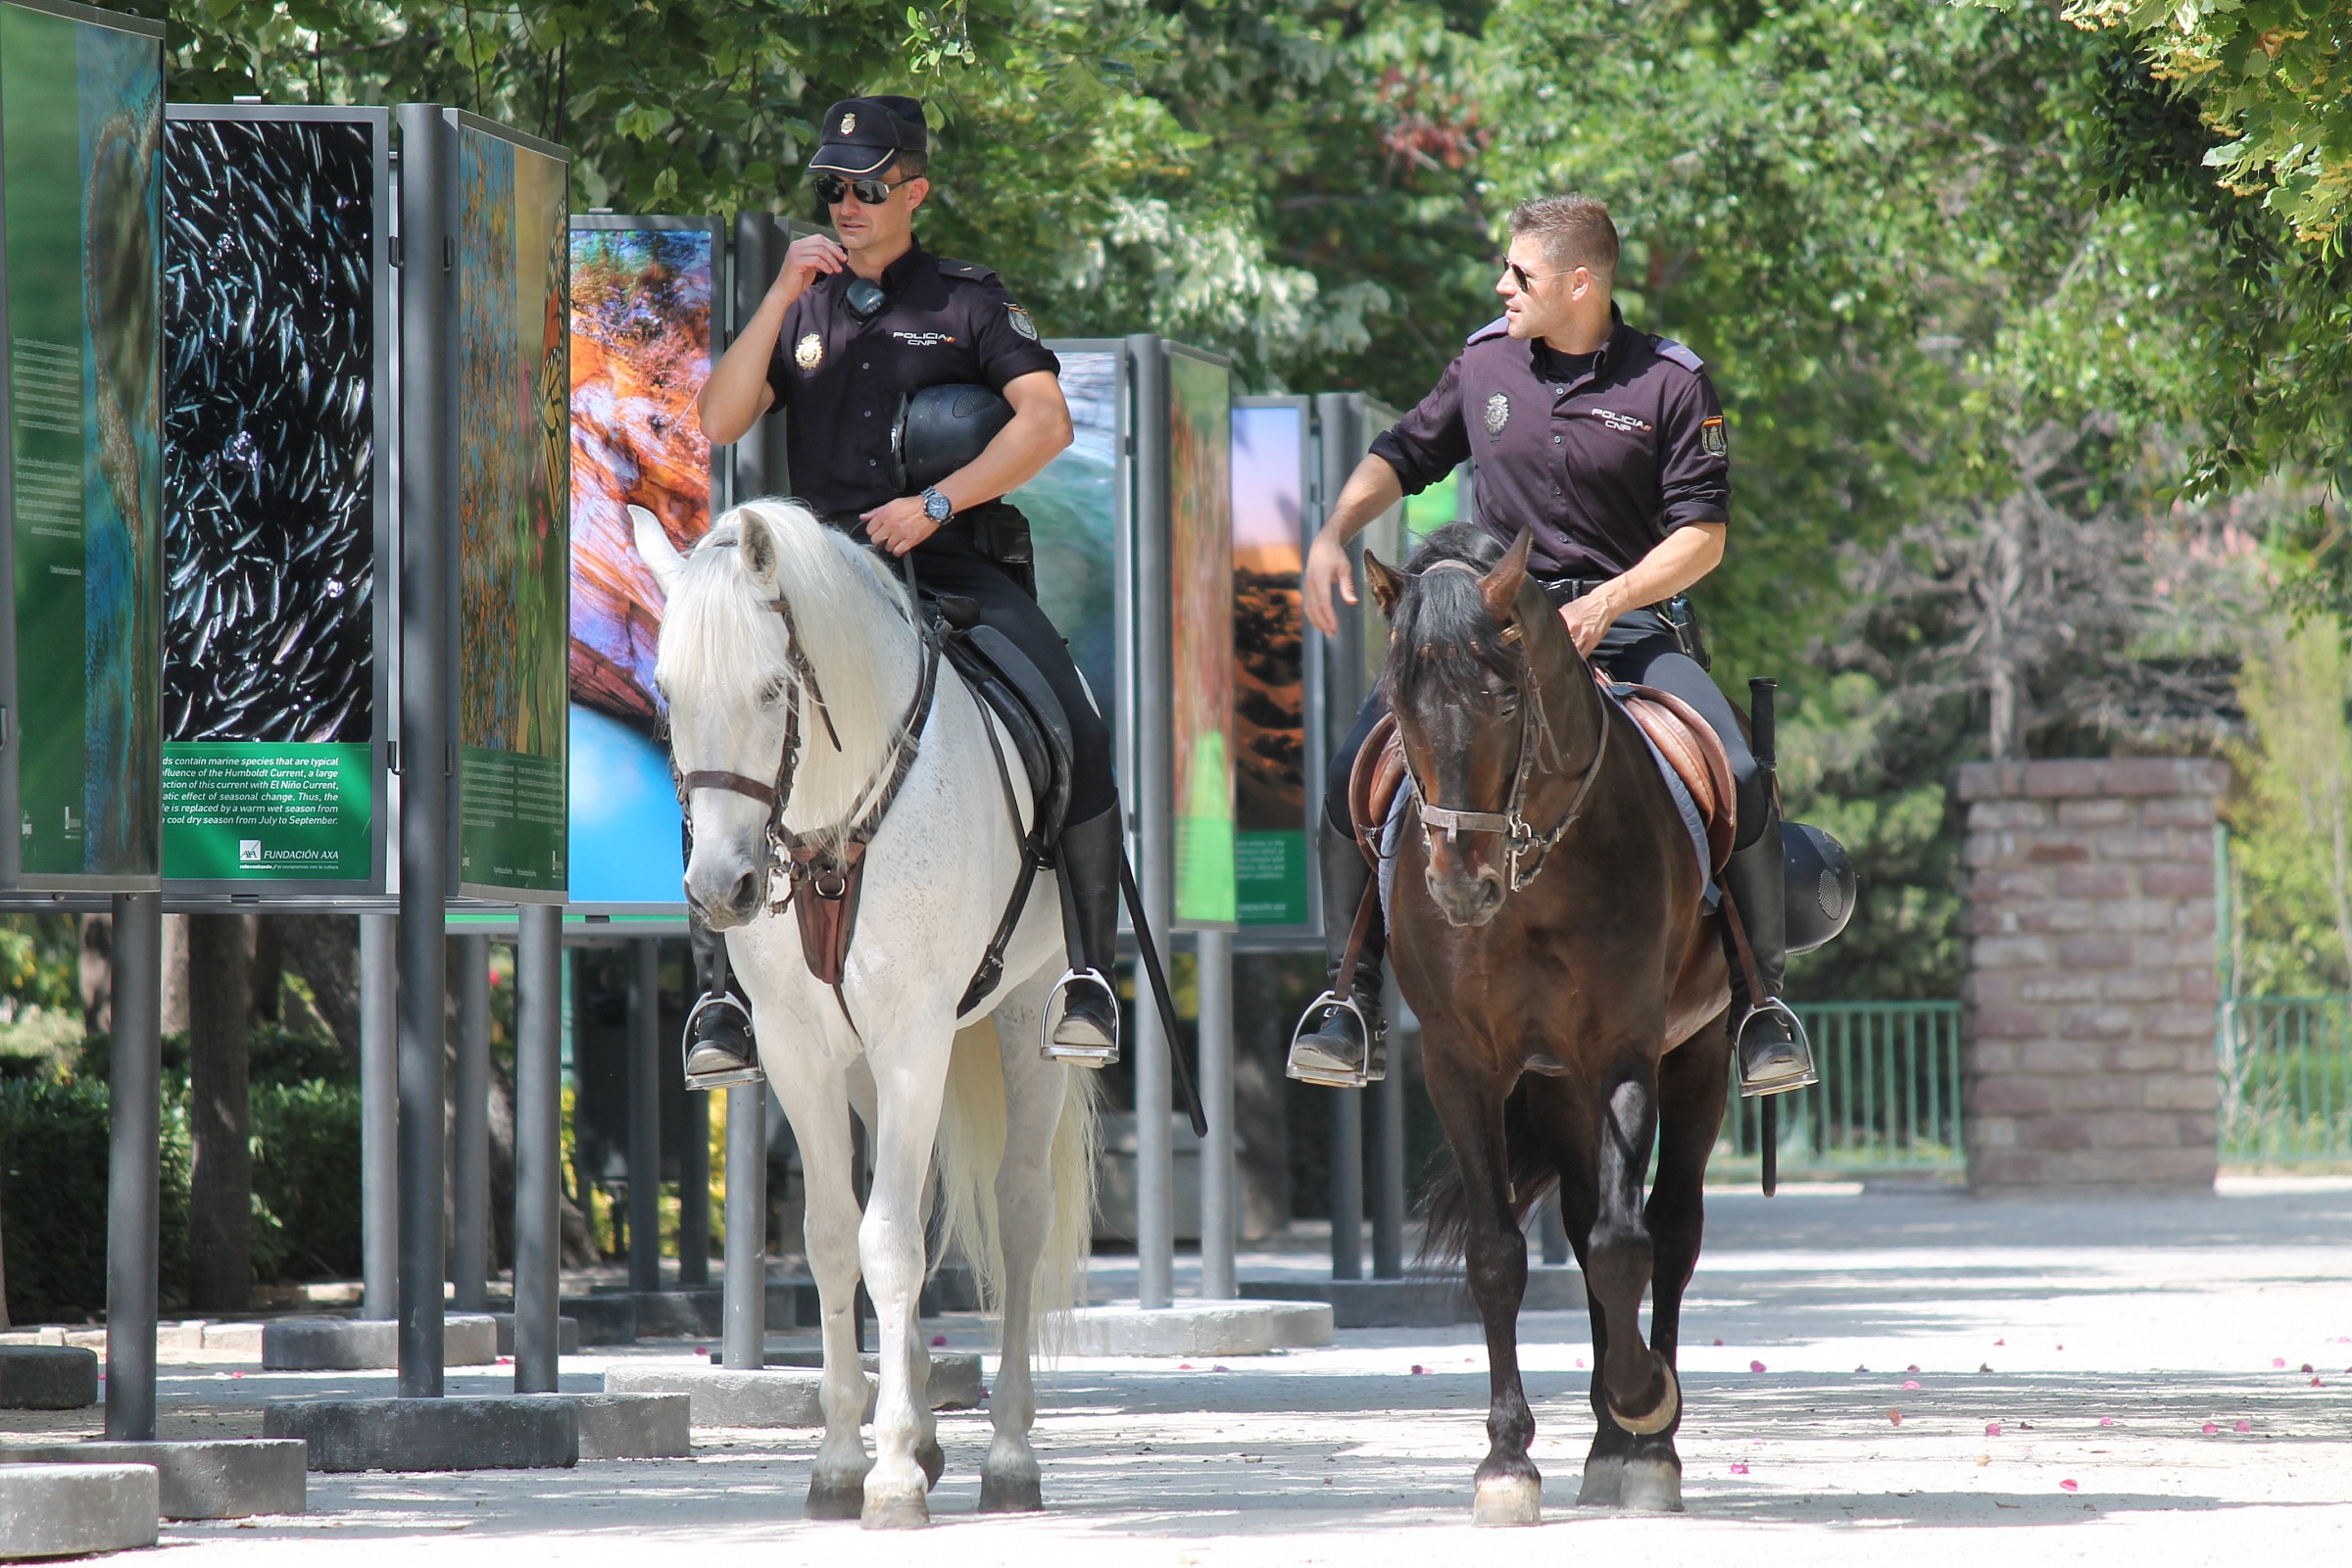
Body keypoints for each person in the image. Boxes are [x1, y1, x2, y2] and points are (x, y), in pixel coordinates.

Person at [1288, 193, 1816, 1098]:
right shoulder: (1485, 364)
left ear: (1579, 283)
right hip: (1493, 634)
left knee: (1738, 770)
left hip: (1632, 627)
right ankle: (1350, 998)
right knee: (1351, 771)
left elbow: (1703, 536)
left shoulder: (1672, 381)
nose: (1502, 286)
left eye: (1519, 273)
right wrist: (1333, 531)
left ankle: (1760, 1003)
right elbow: (1402, 453)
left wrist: (1610, 600)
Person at [685, 94, 1123, 1083]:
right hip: (822, 578)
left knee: (1074, 721)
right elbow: (718, 418)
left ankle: (1090, 975)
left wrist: (935, 503)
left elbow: (1045, 422)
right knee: (717, 724)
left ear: (914, 191)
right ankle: (721, 991)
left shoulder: (968, 303)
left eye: (867, 188)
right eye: (832, 189)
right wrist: (778, 293)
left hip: (950, 558)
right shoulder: (804, 307)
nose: (846, 205)